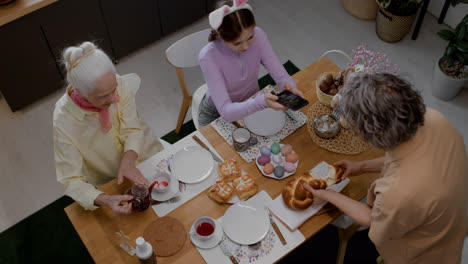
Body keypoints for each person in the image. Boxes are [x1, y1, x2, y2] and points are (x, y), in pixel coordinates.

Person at [304, 73, 468, 263]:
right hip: (452, 219)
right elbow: (406, 159)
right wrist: (362, 167)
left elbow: (373, 219)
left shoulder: (400, 192)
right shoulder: (434, 119)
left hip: (423, 253)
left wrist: (329, 195)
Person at [53, 42, 164, 215]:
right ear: (80, 91)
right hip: (114, 181)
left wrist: (128, 161)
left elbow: (133, 129)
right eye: (103, 97)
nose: (114, 98)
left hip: (149, 153)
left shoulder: (117, 83)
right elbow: (70, 180)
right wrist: (106, 199)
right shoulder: (63, 121)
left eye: (114, 89)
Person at [198, 0, 304, 128]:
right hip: (217, 112)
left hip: (251, 100)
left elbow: (281, 76)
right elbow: (226, 111)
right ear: (220, 35)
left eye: (250, 37)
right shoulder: (208, 56)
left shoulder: (259, 36)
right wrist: (260, 103)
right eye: (237, 43)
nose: (246, 46)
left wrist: (289, 87)